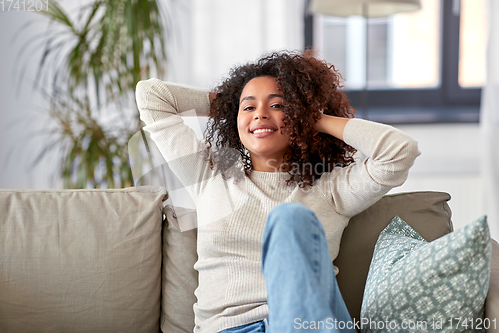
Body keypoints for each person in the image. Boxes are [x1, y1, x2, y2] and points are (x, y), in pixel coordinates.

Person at [135, 50, 420, 333]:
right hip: (230, 329)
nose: (260, 114)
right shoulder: (208, 176)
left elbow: (399, 151)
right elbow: (152, 96)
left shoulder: (332, 190)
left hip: (307, 325)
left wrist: (312, 116)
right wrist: (231, 103)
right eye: (249, 108)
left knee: (291, 218)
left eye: (277, 106)